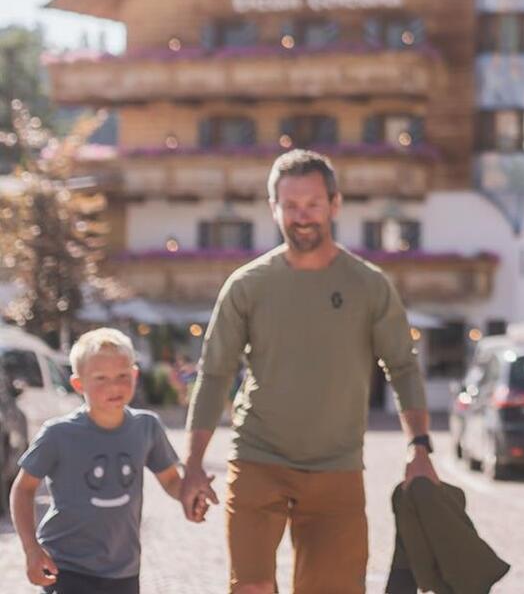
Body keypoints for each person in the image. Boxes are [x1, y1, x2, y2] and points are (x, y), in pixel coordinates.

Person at [179, 149, 436, 594]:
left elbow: (402, 367)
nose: (302, 216)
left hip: (337, 467)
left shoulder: (369, 285)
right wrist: (194, 464)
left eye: (313, 204)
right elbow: (215, 373)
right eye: (291, 205)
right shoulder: (248, 285)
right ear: (273, 208)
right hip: (258, 458)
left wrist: (420, 447)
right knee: (251, 588)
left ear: (335, 204)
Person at [9, 328, 204, 593]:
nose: (114, 386)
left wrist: (190, 495)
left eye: (122, 376)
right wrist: (31, 549)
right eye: (101, 378)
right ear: (78, 384)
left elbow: (170, 480)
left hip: (124, 570)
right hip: (65, 566)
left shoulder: (147, 427)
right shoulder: (58, 434)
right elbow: (23, 488)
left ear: (135, 375)